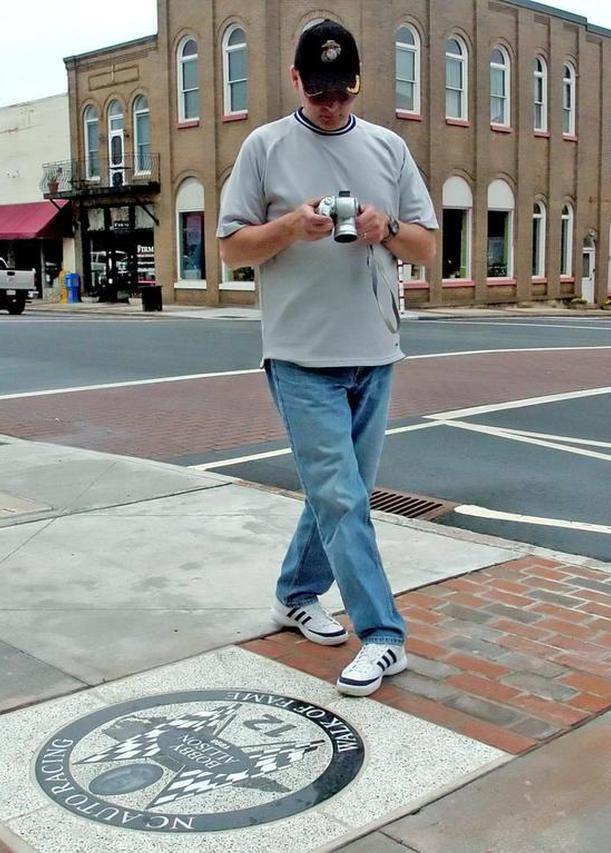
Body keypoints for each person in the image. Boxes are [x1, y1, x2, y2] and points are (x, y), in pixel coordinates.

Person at [218, 20, 438, 697]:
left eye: (341, 93)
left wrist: (387, 228)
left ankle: (295, 593)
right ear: (295, 81)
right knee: (343, 498)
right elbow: (230, 247)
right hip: (299, 355)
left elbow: (426, 246)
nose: (331, 105)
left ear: (358, 84)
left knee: (338, 497)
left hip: (375, 352)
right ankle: (383, 636)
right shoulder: (264, 147)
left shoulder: (388, 148)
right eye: (319, 93)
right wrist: (290, 225)